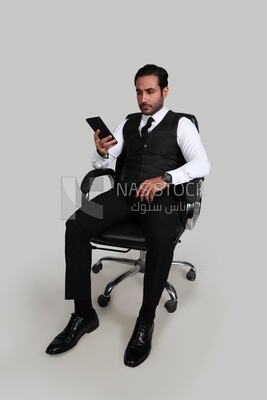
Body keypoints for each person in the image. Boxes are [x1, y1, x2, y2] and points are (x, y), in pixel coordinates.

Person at [46, 64, 211, 367]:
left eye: (150, 91)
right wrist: (100, 151)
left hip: (163, 199)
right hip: (125, 193)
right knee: (76, 225)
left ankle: (145, 321)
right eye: (139, 91)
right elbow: (104, 162)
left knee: (161, 238)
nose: (143, 98)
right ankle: (83, 314)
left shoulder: (182, 124)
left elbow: (203, 164)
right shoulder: (128, 121)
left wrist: (166, 179)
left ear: (165, 90)